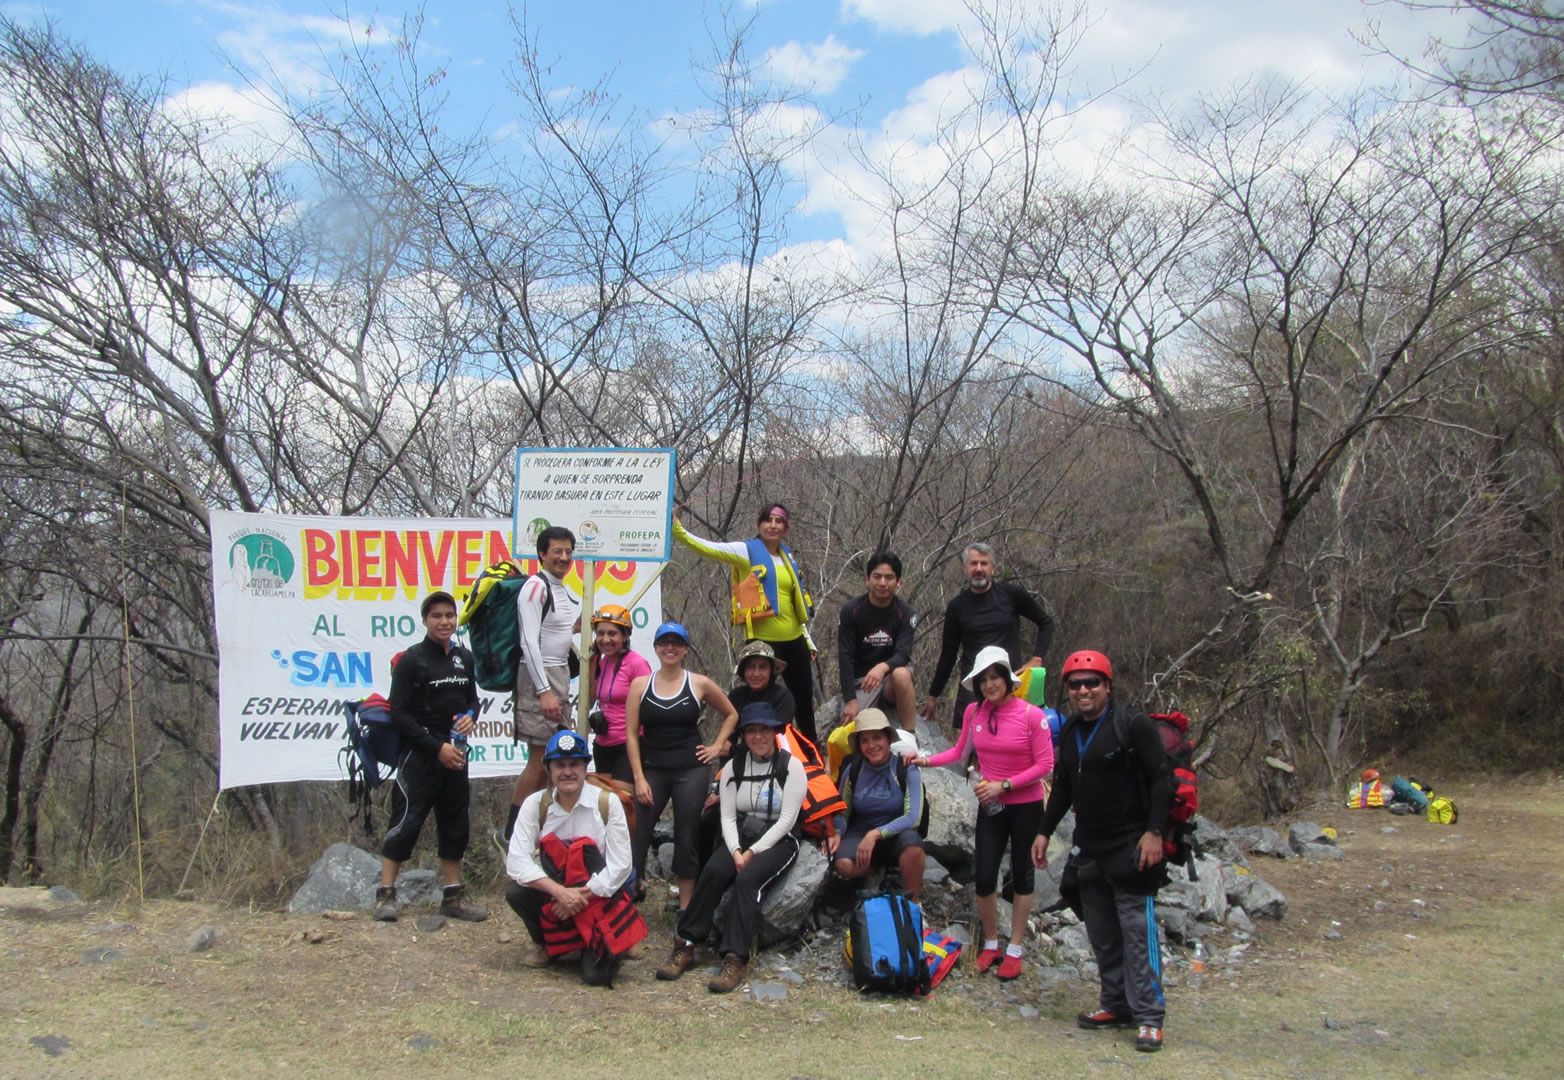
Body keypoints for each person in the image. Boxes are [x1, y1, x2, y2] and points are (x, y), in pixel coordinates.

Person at [1032, 650, 1171, 1053]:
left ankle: (1149, 1016)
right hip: (1089, 847)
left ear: (1108, 685)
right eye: (1075, 685)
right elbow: (1062, 787)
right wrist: (1044, 832)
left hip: (1132, 846)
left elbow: (1161, 779)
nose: (1083, 690)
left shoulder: (1133, 726)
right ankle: (1115, 1004)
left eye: (1092, 682)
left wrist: (1154, 832)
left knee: (1136, 934)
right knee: (1103, 935)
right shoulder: (1072, 730)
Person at [910, 645, 1052, 980]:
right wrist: (925, 759)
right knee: (985, 876)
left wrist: (1003, 785)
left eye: (995, 677)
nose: (989, 684)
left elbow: (1045, 765)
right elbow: (960, 752)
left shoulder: (1031, 715)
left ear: (1007, 678)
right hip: (992, 807)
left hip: (1025, 805)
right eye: (983, 679)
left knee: (1021, 873)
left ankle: (1015, 948)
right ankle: (990, 943)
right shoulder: (975, 712)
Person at [655, 702, 804, 993]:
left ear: (774, 731)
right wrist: (735, 850)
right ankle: (685, 944)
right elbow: (726, 814)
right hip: (741, 836)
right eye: (751, 731)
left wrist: (751, 853)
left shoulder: (791, 766)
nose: (758, 737)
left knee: (748, 880)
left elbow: (787, 820)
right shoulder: (734, 766)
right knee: (713, 870)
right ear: (744, 735)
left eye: (764, 730)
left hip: (779, 840)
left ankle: (734, 957)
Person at [374, 591, 488, 923]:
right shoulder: (412, 660)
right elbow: (399, 714)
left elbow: (473, 700)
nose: (444, 622)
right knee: (406, 822)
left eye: (449, 616)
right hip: (421, 755)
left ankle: (452, 898)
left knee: (456, 825)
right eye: (437, 616)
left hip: (456, 753)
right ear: (425, 620)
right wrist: (436, 747)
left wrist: (471, 716)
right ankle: (385, 896)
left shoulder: (464, 658)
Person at [504, 729, 646, 986]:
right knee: (517, 892)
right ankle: (546, 945)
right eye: (560, 765)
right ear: (548, 769)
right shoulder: (535, 804)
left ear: (585, 767)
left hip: (598, 896)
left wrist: (579, 896)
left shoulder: (608, 802)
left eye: (574, 764)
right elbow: (516, 862)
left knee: (596, 977)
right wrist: (560, 893)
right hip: (557, 891)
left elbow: (621, 864)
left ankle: (610, 940)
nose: (567, 772)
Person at [673, 503, 819, 743]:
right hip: (763, 643)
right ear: (758, 524)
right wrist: (677, 529)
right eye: (768, 520)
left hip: (795, 640)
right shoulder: (745, 551)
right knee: (761, 703)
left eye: (779, 521)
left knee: (803, 701)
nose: (773, 525)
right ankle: (754, 752)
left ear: (786, 527)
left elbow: (794, 604)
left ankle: (812, 757)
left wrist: (807, 639)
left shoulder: (787, 556)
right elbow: (707, 548)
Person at [625, 622, 739, 912]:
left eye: (676, 643)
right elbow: (630, 734)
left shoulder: (698, 683)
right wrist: (638, 777)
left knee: (686, 834)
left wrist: (716, 746)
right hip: (652, 767)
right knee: (638, 832)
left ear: (686, 649)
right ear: (656, 648)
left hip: (691, 768)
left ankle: (686, 909)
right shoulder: (641, 685)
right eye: (664, 643)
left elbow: (731, 714)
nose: (670, 648)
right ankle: (631, 895)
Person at [922, 542, 1055, 729]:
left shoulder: (1011, 594)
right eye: (973, 563)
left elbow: (1046, 622)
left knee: (1014, 740)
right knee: (973, 750)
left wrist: (1037, 658)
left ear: (993, 568)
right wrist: (933, 695)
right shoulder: (957, 606)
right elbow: (948, 654)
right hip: (973, 686)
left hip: (1011, 681)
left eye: (984, 563)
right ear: (965, 568)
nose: (978, 569)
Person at [505, 526, 582, 840]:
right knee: (539, 762)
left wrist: (581, 627)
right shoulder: (535, 587)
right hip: (539, 678)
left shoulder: (560, 587)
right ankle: (512, 834)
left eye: (568, 552)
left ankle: (540, 830)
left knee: (554, 760)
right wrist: (544, 691)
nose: (563, 558)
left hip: (560, 674)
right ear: (541, 554)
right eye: (556, 552)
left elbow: (556, 633)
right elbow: (529, 641)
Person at [827, 709, 925, 902]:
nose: (871, 745)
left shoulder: (906, 768)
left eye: (877, 738)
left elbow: (913, 817)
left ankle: (914, 902)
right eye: (865, 740)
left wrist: (876, 834)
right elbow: (842, 810)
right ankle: (873, 874)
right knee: (843, 864)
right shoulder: (853, 770)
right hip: (861, 832)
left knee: (913, 847)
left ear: (888, 739)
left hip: (896, 833)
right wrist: (836, 832)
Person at [837, 552, 917, 731]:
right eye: (877, 576)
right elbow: (845, 656)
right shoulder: (852, 610)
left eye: (889, 577)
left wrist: (882, 667)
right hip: (861, 683)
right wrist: (850, 700)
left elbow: (903, 654)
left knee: (902, 674)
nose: (882, 583)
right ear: (867, 579)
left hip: (890, 680)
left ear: (898, 582)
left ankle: (910, 736)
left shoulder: (906, 613)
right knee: (850, 731)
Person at [586, 604, 652, 782]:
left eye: (612, 634)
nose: (605, 639)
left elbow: (650, 705)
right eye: (600, 634)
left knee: (622, 801)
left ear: (625, 635)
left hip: (628, 745)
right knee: (605, 803)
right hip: (602, 745)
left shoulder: (637, 664)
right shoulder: (601, 662)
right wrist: (592, 663)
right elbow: (591, 700)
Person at [725, 639, 796, 748]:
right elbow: (730, 737)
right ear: (743, 671)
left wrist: (733, 750)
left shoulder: (783, 697)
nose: (756, 673)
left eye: (763, 667)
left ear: (771, 671)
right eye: (751, 667)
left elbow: (778, 736)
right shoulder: (735, 696)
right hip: (742, 756)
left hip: (777, 755)